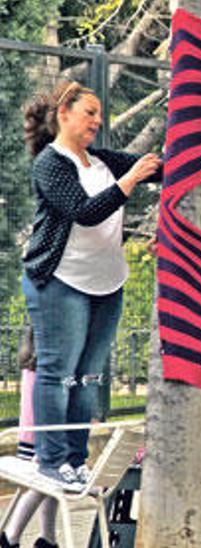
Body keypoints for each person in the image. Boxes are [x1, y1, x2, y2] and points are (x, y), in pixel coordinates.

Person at [20, 81, 162, 490]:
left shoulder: (99, 160)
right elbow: (85, 212)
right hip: (61, 282)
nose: (98, 122)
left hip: (107, 283)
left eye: (100, 115)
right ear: (64, 113)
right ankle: (51, 459)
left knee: (88, 376)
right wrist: (130, 180)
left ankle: (76, 460)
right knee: (57, 371)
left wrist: (191, 156)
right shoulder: (51, 163)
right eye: (90, 113)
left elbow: (157, 166)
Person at [0, 326, 58, 548]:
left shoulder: (31, 368)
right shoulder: (45, 371)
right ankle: (11, 536)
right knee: (45, 483)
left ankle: (48, 538)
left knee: (51, 484)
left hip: (31, 438)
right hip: (40, 439)